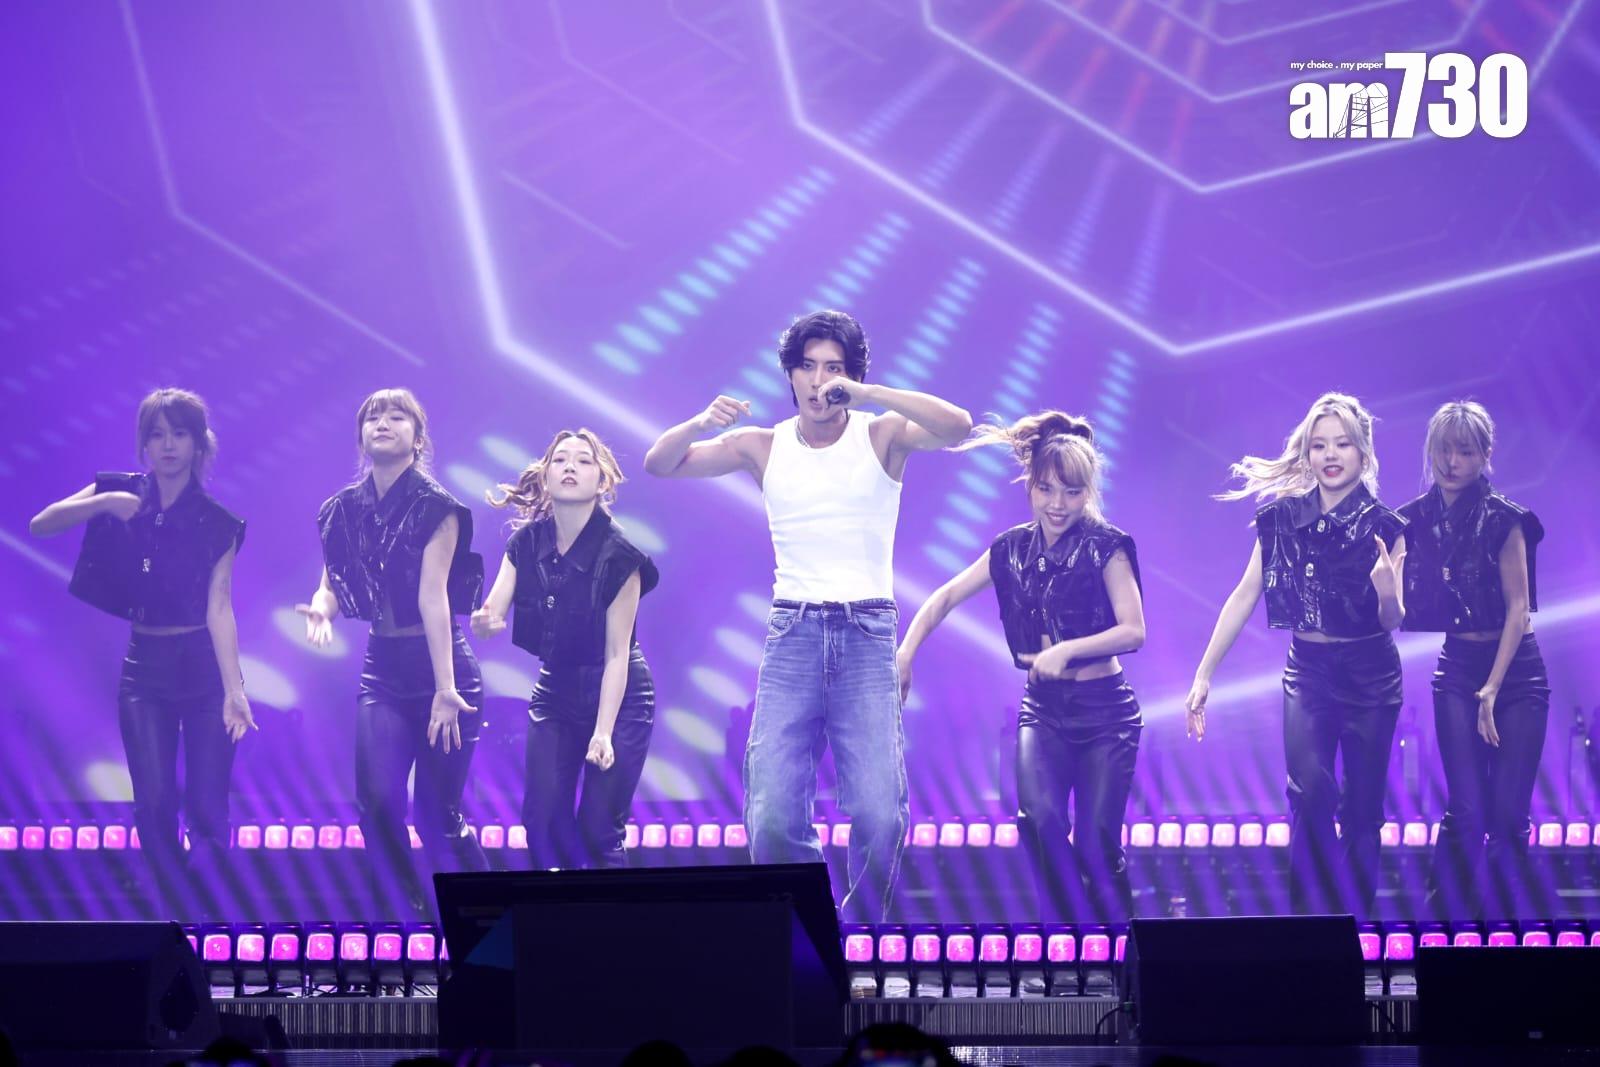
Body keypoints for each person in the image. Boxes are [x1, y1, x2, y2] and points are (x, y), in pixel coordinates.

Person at [643, 309, 971, 921]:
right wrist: (700, 423)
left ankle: (859, 932)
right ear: (791, 374)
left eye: (835, 369)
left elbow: (958, 426)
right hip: (793, 631)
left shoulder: (880, 434)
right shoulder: (761, 445)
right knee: (769, 813)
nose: (821, 382)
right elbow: (659, 464)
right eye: (809, 367)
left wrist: (868, 394)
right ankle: (813, 928)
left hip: (867, 631)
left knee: (879, 812)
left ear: (851, 375)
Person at [898, 413, 1145, 921]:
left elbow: (1133, 630)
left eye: (1071, 492)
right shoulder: (1009, 549)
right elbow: (944, 597)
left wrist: (1067, 650)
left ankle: (1121, 947)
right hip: (1043, 710)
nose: (1058, 504)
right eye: (1046, 489)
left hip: (1106, 713)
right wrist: (906, 652)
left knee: (1096, 844)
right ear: (1030, 486)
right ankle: (1068, 941)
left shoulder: (1107, 545)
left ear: (1087, 492)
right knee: (1038, 821)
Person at [30, 387, 251, 917]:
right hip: (144, 670)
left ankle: (205, 914)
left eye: (179, 434)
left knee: (207, 809)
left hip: (202, 668)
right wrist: (103, 503)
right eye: (157, 435)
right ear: (144, 444)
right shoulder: (118, 490)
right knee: (153, 805)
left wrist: (235, 690)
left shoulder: (218, 521)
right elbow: (42, 523)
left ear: (199, 444)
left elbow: (220, 607)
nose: (168, 445)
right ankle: (177, 915)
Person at [1185, 392, 1408, 916]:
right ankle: (1311, 927)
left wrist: (1386, 592)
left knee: (1362, 813)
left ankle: (1351, 927)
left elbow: (1393, 619)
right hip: (1309, 672)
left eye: (1342, 444)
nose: (1330, 454)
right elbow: (1245, 594)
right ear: (1307, 454)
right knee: (1309, 794)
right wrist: (1204, 674)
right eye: (1319, 445)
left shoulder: (1387, 526)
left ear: (1363, 454)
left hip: (1372, 675)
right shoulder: (1281, 518)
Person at [296, 388, 487, 919]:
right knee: (378, 805)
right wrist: (322, 609)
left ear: (417, 439)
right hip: (382, 668)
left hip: (442, 669)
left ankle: (491, 916)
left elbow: (434, 598)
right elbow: (333, 582)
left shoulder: (437, 507)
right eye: (373, 416)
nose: (383, 422)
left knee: (436, 816)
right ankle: (410, 916)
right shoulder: (342, 510)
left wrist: (445, 689)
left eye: (397, 416)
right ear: (361, 436)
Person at [472, 429, 659, 869]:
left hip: (619, 694)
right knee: (540, 822)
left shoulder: (621, 556)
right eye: (560, 459)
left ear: (601, 481)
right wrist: (485, 622)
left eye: (583, 460)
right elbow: (492, 611)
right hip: (556, 688)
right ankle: (557, 910)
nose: (570, 466)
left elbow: (617, 653)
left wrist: (603, 732)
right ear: (546, 476)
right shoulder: (525, 543)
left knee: (598, 831)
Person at [1399, 401, 1548, 919]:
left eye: (1464, 451)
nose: (1451, 462)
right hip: (1459, 667)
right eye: (1444, 450)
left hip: (1517, 671)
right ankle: (1444, 930)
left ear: (1485, 455)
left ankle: (1507, 930)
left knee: (1507, 815)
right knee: (1465, 809)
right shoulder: (1414, 520)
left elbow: (1518, 609)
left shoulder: (1506, 520)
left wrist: (1493, 687)